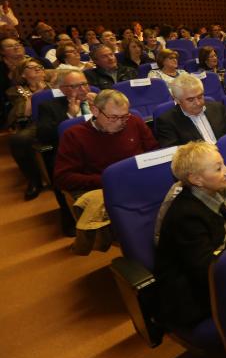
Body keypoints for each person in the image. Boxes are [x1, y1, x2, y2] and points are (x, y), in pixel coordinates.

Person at [155, 141, 226, 331]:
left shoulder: (210, 194)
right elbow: (205, 270)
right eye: (218, 168)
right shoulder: (186, 216)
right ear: (196, 180)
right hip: (190, 293)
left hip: (209, 270)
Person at [54, 89, 159, 252]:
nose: (120, 122)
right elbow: (63, 177)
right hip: (107, 189)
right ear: (95, 111)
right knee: (141, 224)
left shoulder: (135, 122)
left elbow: (154, 151)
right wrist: (107, 180)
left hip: (141, 182)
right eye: (113, 117)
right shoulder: (74, 135)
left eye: (125, 116)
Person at [6, 58, 51, 199]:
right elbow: (23, 114)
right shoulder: (18, 91)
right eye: (31, 67)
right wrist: (34, 96)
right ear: (23, 74)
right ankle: (34, 180)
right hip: (36, 123)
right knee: (18, 140)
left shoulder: (55, 84)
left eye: (39, 66)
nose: (38, 68)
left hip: (59, 117)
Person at [154, 74, 226, 147]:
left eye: (200, 96)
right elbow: (178, 156)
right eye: (190, 100)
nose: (198, 103)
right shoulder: (167, 122)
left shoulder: (218, 108)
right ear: (177, 100)